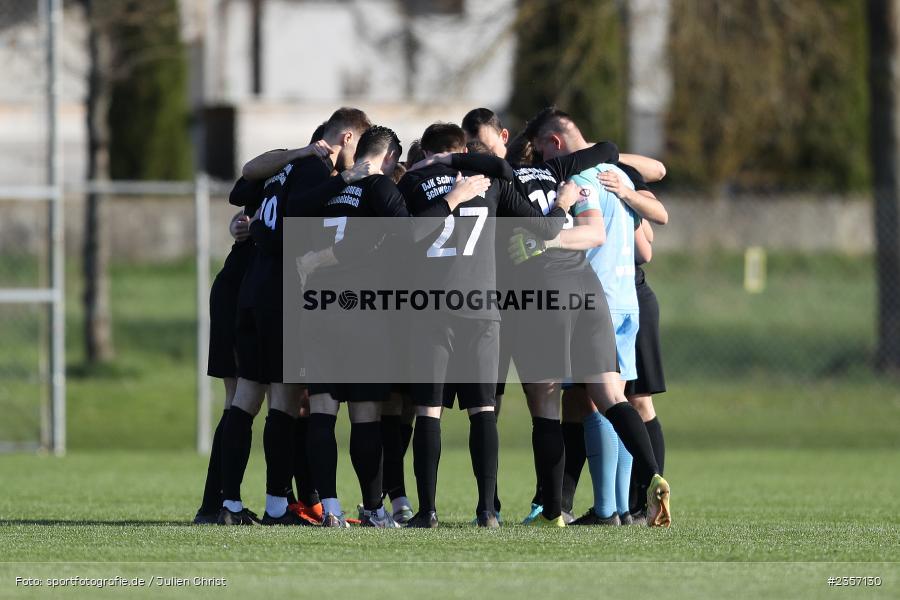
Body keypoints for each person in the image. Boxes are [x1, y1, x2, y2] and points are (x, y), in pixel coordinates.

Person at [399, 123, 573, 528]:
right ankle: (486, 512)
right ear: (460, 149)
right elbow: (544, 227)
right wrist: (562, 204)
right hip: (481, 308)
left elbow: (405, 236)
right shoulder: (491, 180)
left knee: (428, 411)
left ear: (425, 151)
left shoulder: (414, 181)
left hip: (431, 308)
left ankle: (427, 511)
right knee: (483, 409)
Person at [515, 108, 670, 528]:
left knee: (594, 404)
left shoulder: (579, 179)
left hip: (591, 297)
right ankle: (623, 504)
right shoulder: (616, 175)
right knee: (613, 397)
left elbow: (588, 233)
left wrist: (540, 246)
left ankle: (608, 509)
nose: (542, 160)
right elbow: (647, 245)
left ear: (556, 143)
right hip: (627, 297)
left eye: (542, 150)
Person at [217, 108, 371, 526]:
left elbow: (244, 186)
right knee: (284, 403)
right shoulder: (316, 171)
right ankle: (274, 507)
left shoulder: (282, 168)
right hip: (282, 293)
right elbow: (297, 217)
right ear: (347, 139)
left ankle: (227, 503)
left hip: (252, 288)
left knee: (246, 398)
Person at [192, 191, 260, 525]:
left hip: (247, 290)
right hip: (240, 293)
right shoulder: (297, 169)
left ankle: (215, 505)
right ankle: (218, 504)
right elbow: (241, 185)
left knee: (243, 401)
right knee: (239, 399)